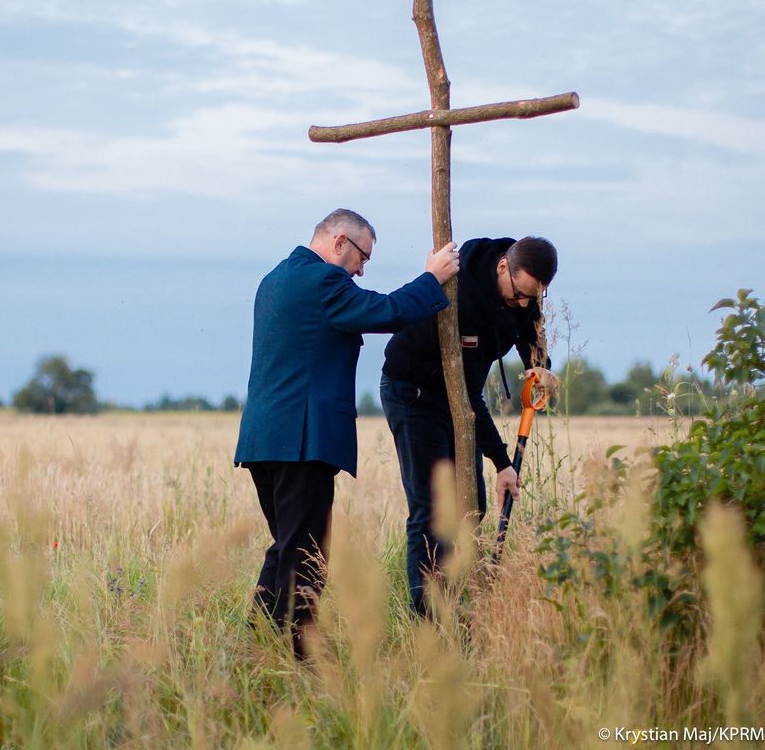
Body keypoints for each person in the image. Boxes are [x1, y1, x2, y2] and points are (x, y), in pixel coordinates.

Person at [234, 208, 460, 659]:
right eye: (362, 258)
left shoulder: (274, 279)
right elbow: (389, 311)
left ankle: (258, 643)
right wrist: (431, 278)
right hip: (303, 441)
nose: (360, 270)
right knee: (307, 556)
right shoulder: (324, 283)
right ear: (339, 242)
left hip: (263, 439)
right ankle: (299, 657)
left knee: (286, 547)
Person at [379, 236, 558, 617]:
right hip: (415, 392)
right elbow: (469, 399)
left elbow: (530, 330)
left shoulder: (523, 294)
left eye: (532, 297)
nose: (523, 303)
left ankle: (465, 607)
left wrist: (540, 363)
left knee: (469, 504)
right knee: (431, 510)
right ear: (502, 268)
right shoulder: (460, 296)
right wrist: (501, 461)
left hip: (458, 397)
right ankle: (426, 619)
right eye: (519, 295)